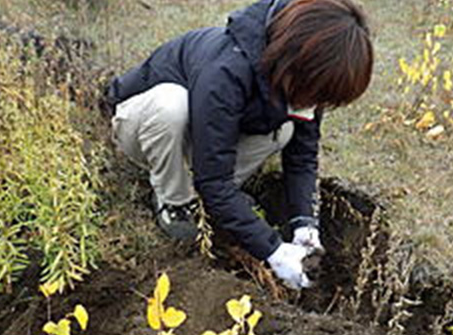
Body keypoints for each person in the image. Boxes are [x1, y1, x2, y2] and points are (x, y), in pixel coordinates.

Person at [106, 0, 373, 289]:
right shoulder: (226, 70)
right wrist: (274, 250)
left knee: (286, 130)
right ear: (298, 64)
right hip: (142, 128)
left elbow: (302, 158)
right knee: (172, 105)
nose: (315, 104)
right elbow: (214, 181)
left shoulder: (301, 78)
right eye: (317, 96)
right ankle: (175, 201)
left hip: (204, 131)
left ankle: (211, 200)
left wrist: (304, 225)